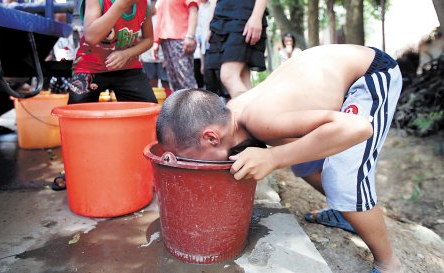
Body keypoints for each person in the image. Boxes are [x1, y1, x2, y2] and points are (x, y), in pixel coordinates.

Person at [156, 45, 404, 273]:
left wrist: (274, 157)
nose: (195, 167)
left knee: (344, 180)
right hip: (332, 72)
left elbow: (358, 128)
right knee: (304, 161)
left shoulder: (262, 121)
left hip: (369, 76)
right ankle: (345, 212)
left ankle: (388, 263)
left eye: (192, 159)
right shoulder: (233, 113)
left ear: (211, 138)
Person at [52, 0, 157, 191]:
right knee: (75, 121)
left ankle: (147, 168)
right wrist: (120, 6)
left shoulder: (145, 6)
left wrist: (127, 54)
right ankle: (71, 169)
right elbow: (91, 36)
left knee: (150, 115)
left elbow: (149, 39)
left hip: (127, 66)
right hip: (89, 67)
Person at [205, 0, 268, 98]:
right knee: (242, 77)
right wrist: (210, 24)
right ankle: (256, 112)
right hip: (221, 16)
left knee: (228, 75)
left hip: (244, 14)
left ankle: (247, 113)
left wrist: (256, 16)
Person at [153, 0, 199, 91]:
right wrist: (156, 41)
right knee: (174, 81)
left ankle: (194, 104)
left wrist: (190, 36)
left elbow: (193, 11)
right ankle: (178, 105)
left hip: (181, 39)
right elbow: (160, 17)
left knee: (186, 80)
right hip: (165, 40)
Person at [139, 0, 170, 89]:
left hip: (161, 57)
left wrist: (166, 57)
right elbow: (139, 38)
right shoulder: (144, 18)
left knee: (165, 81)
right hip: (147, 57)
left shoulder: (161, 18)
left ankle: (168, 100)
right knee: (151, 81)